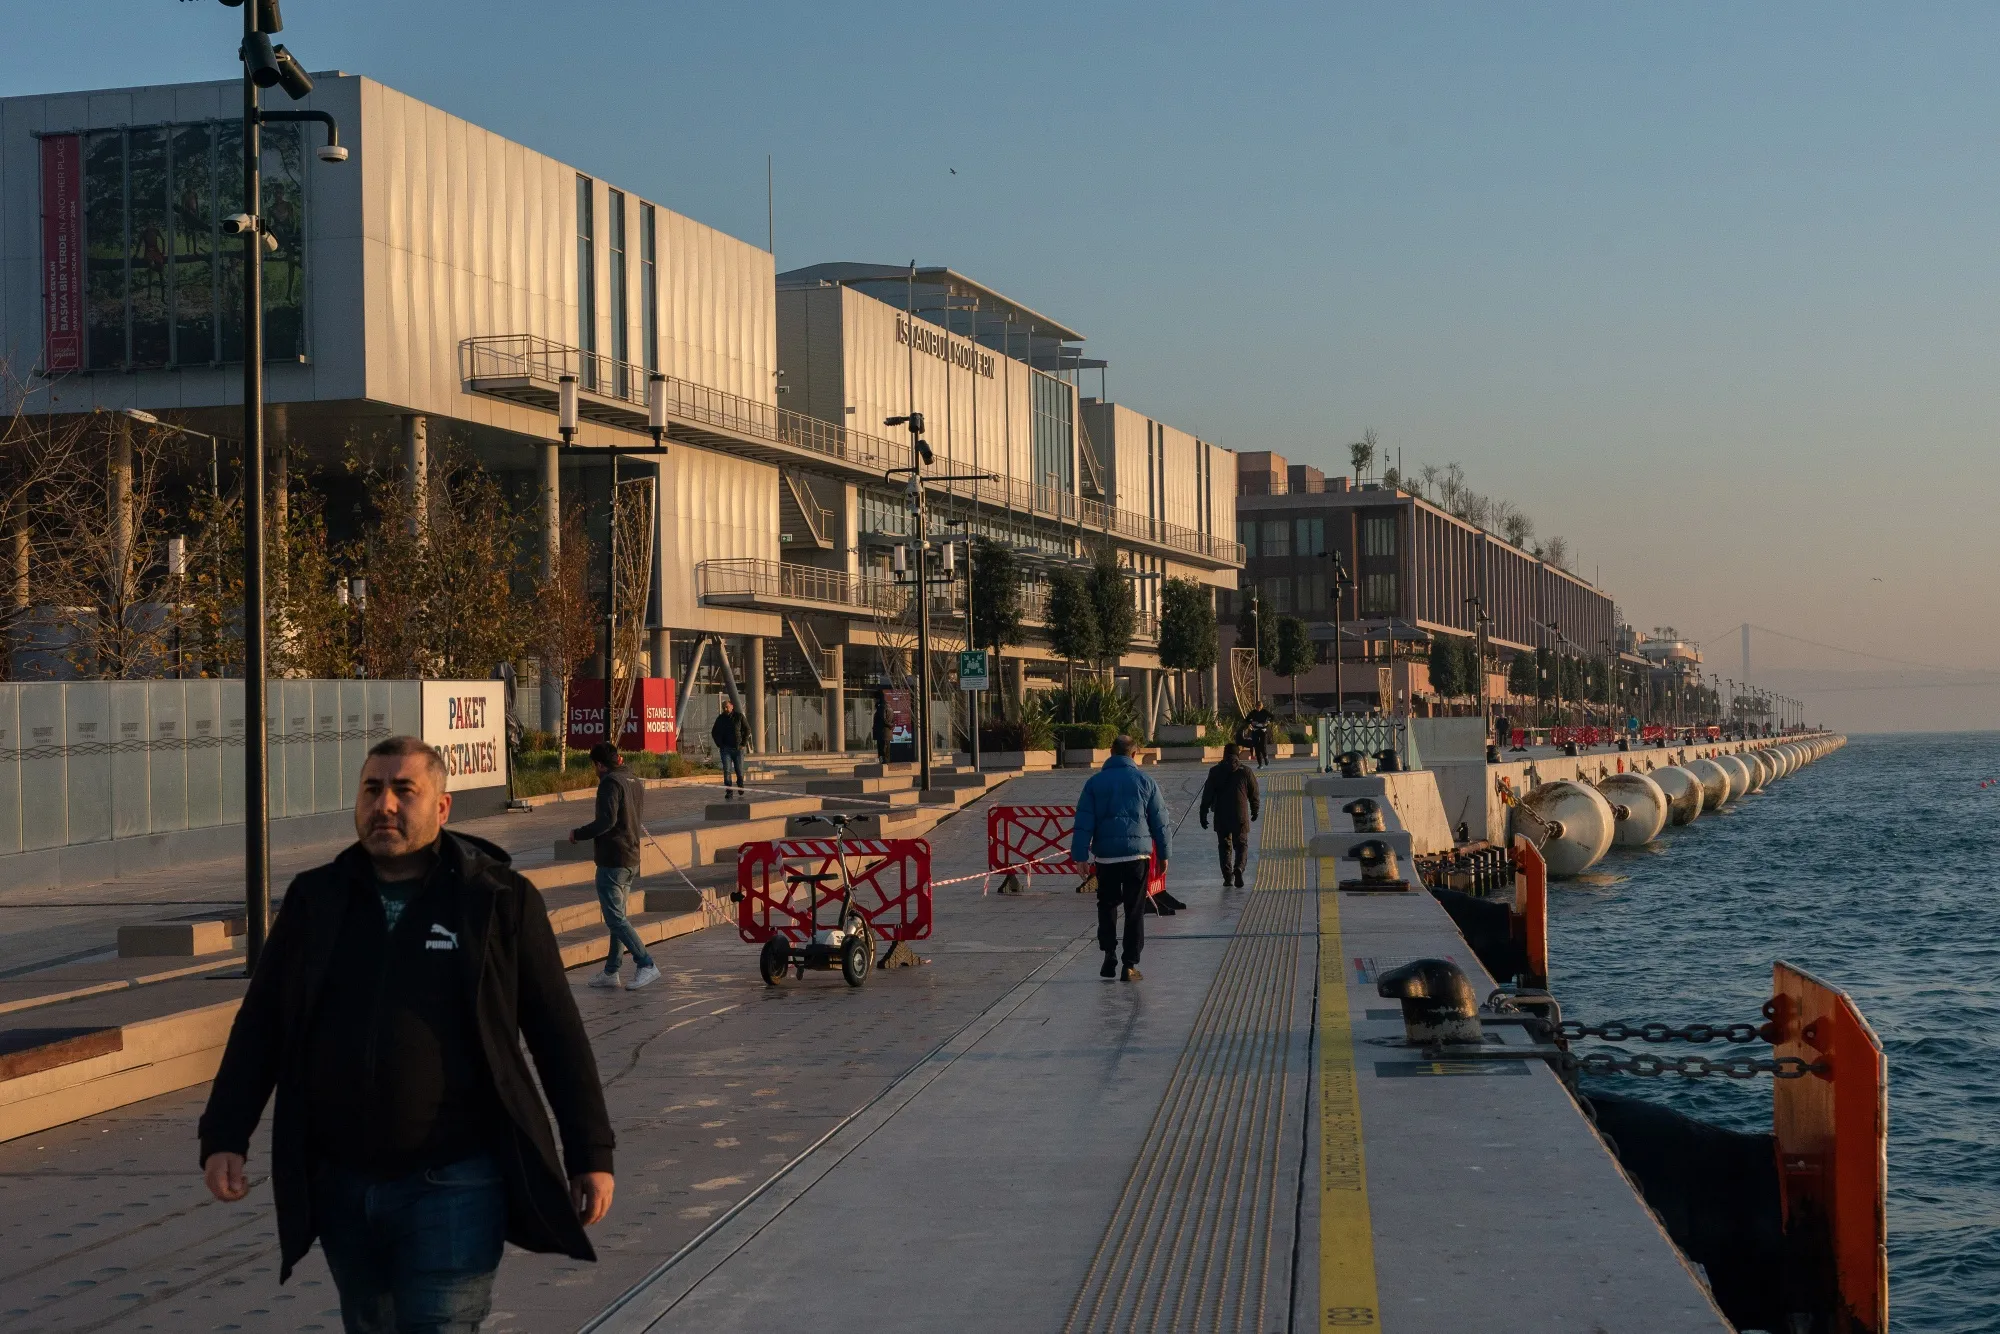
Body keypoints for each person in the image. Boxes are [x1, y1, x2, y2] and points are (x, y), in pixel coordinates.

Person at [197, 735, 615, 1334]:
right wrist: (224, 1134)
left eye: (404, 790)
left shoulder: (495, 900)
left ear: (441, 808)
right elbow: (261, 1024)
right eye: (372, 790)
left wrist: (590, 1152)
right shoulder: (317, 899)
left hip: (456, 1184)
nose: (384, 805)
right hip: (342, 1185)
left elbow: (556, 1030)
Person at [1071, 734, 1171, 983]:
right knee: (1134, 909)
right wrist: (1164, 854)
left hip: (1106, 858)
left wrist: (1080, 855)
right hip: (1138, 856)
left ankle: (1109, 954)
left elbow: (1084, 822)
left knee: (1107, 906)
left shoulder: (1094, 783)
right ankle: (1130, 964)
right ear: (1134, 755)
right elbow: (1160, 820)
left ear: (1111, 752)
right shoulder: (1145, 781)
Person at [568, 741, 659, 991]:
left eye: (594, 767)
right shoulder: (632, 779)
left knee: (615, 918)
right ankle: (611, 971)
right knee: (618, 917)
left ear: (599, 765)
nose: (595, 772)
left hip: (613, 858)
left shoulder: (610, 783)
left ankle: (646, 963)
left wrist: (578, 833)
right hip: (630, 856)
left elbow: (606, 821)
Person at [1199, 742, 1262, 888]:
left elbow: (1207, 795)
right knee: (1241, 845)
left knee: (1224, 846)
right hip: (1240, 814)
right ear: (1238, 755)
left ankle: (1228, 877)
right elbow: (1254, 793)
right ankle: (1239, 868)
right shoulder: (1245, 771)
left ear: (1224, 754)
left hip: (1221, 815)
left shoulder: (1214, 771)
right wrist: (1255, 809)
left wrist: (1203, 813)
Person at [712, 696, 750, 796]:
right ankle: (729, 790)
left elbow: (747, 730)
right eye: (723, 707)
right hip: (726, 749)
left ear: (732, 706)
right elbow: (714, 732)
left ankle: (740, 785)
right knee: (727, 770)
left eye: (727, 707)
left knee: (739, 769)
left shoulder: (739, 716)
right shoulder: (720, 719)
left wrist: (743, 744)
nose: (725, 709)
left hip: (738, 749)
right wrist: (720, 745)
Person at [1241, 703, 1276, 767]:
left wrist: (1268, 722)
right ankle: (1260, 764)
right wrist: (1251, 722)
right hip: (1255, 730)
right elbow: (1246, 720)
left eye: (1259, 706)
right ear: (1256, 706)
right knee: (1256, 747)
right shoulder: (1253, 712)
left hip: (1263, 730)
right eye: (1257, 706)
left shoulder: (1265, 712)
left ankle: (1266, 758)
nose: (1258, 708)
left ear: (1262, 706)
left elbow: (1273, 717)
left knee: (1263, 746)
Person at [870, 688, 891, 762]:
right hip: (886, 734)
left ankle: (883, 766)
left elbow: (883, 719)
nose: (874, 700)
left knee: (882, 752)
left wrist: (890, 725)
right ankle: (885, 765)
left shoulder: (881, 707)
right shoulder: (888, 707)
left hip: (882, 734)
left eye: (875, 699)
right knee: (886, 752)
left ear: (878, 699)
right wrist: (891, 725)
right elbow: (891, 719)